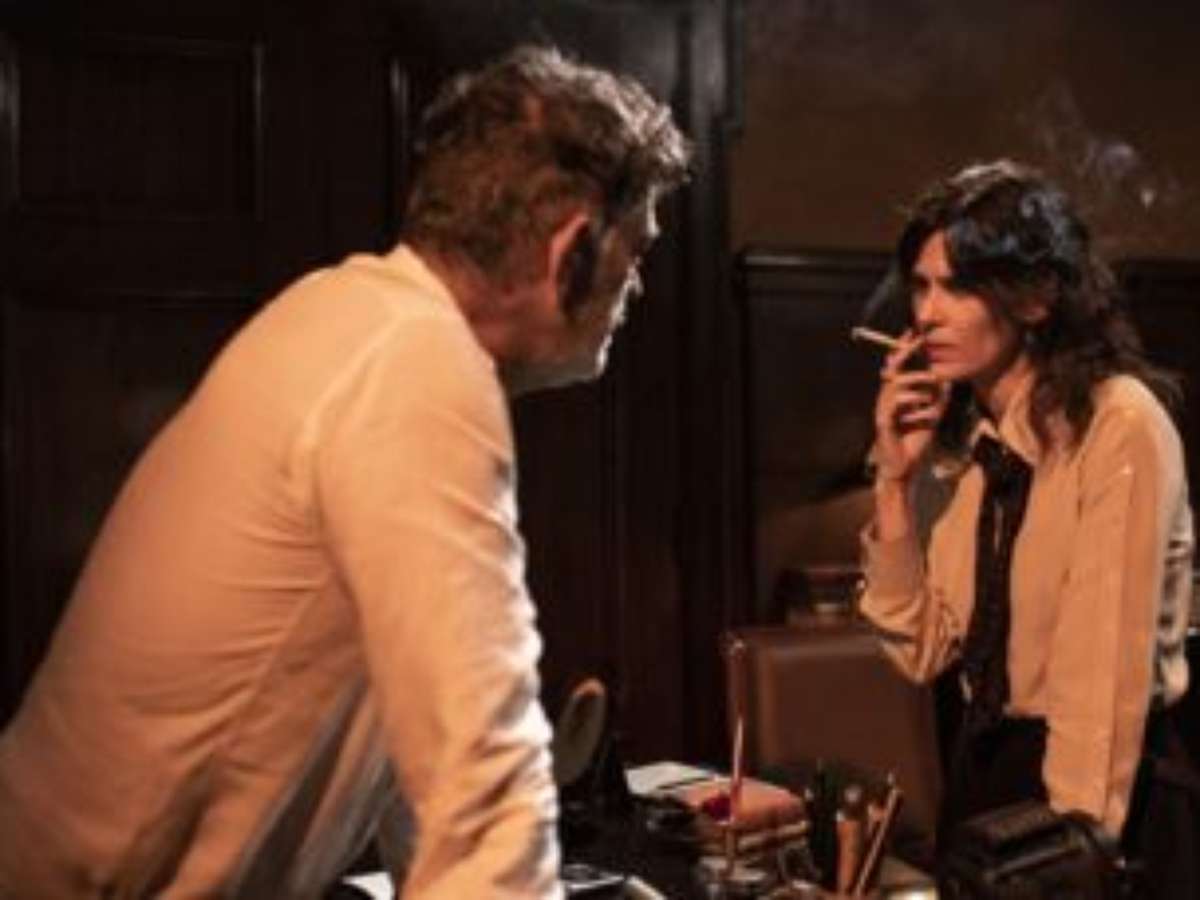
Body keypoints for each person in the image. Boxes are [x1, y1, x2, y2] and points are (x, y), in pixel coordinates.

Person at [0, 45, 689, 899]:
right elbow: (487, 798)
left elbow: (421, 740)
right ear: (570, 251)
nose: (638, 287)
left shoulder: (359, 321)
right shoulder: (413, 369)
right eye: (636, 250)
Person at [857, 160, 1196, 894]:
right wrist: (895, 481)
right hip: (989, 781)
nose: (927, 314)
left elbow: (1099, 695)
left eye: (958, 286)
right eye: (920, 286)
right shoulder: (979, 445)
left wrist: (1063, 859)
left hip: (1103, 810)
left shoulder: (1118, 424)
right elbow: (922, 647)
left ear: (1037, 297)